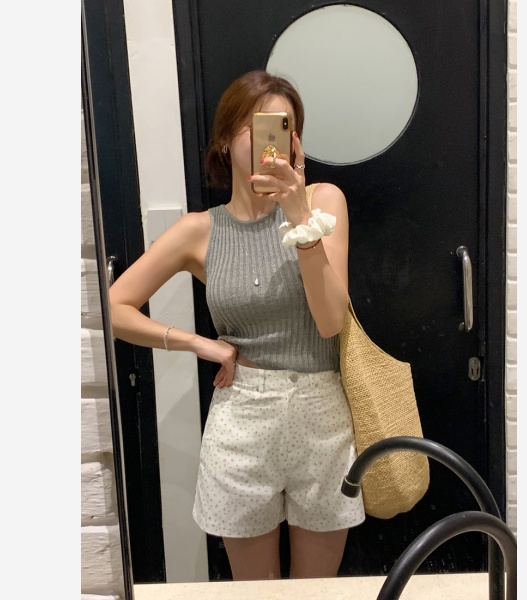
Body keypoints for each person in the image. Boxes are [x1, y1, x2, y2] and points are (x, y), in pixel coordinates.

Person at [109, 69, 365, 581]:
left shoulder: (323, 203)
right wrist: (196, 344)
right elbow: (115, 306)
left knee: (317, 592)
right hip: (242, 417)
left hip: (322, 416)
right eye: (257, 125)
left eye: (283, 127)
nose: (272, 140)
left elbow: (329, 322)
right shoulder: (198, 230)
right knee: (254, 591)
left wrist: (299, 216)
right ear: (226, 138)